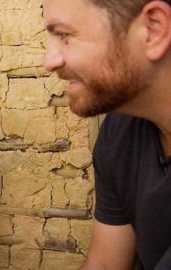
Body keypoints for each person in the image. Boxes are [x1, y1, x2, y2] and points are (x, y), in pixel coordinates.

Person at [42, 0, 171, 269]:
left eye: (64, 35)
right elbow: (104, 263)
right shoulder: (119, 132)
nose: (49, 61)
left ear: (154, 29)